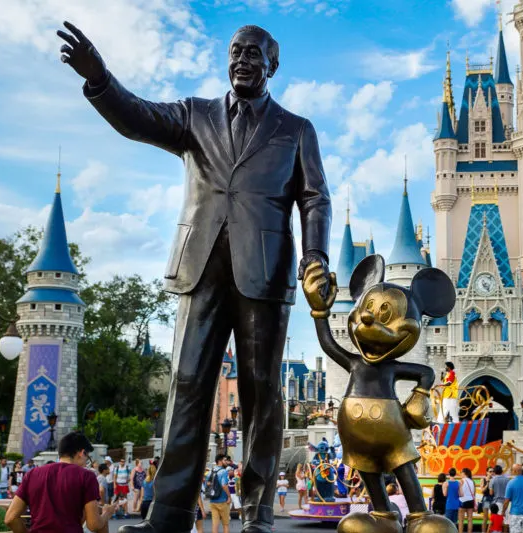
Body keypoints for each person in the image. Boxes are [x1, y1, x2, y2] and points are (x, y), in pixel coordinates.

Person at [57, 17, 332, 533]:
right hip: (199, 268)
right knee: (186, 385)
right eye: (236, 51)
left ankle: (257, 514)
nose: (243, 60)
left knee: (262, 395)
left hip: (265, 274)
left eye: (254, 53)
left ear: (273, 65)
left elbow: (315, 197)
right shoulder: (194, 115)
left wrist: (314, 255)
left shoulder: (296, 129)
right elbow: (137, 116)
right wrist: (99, 79)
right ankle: (170, 513)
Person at [4, 431, 115, 533]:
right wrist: (107, 513)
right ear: (82, 453)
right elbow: (94, 525)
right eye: (88, 458)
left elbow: (10, 518)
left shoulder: (32, 474)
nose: (87, 463)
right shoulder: (86, 476)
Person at [503, 465, 523, 533]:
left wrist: (503, 511)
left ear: (515, 471)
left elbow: (506, 500)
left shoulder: (510, 483)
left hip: (515, 513)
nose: (511, 472)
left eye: (512, 470)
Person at [208, 454, 232, 533]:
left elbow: (207, 484)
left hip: (213, 501)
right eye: (225, 460)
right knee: (225, 524)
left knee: (215, 524)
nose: (227, 462)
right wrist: (229, 496)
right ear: (220, 461)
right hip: (222, 501)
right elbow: (224, 485)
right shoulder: (223, 471)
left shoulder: (210, 471)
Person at [458, 468, 476, 533]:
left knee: (461, 520)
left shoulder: (461, 481)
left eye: (461, 473)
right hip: (470, 501)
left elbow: (459, 492)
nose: (460, 474)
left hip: (462, 501)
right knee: (470, 520)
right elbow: (474, 494)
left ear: (464, 473)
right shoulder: (472, 481)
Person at [481, 467, 495, 531]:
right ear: (487, 472)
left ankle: (491, 530)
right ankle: (484, 531)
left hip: (493, 499)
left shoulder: (494, 479)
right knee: (485, 517)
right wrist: (487, 483)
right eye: (490, 471)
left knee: (493, 517)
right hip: (486, 499)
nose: (492, 473)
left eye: (492, 471)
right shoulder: (483, 479)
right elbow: (482, 490)